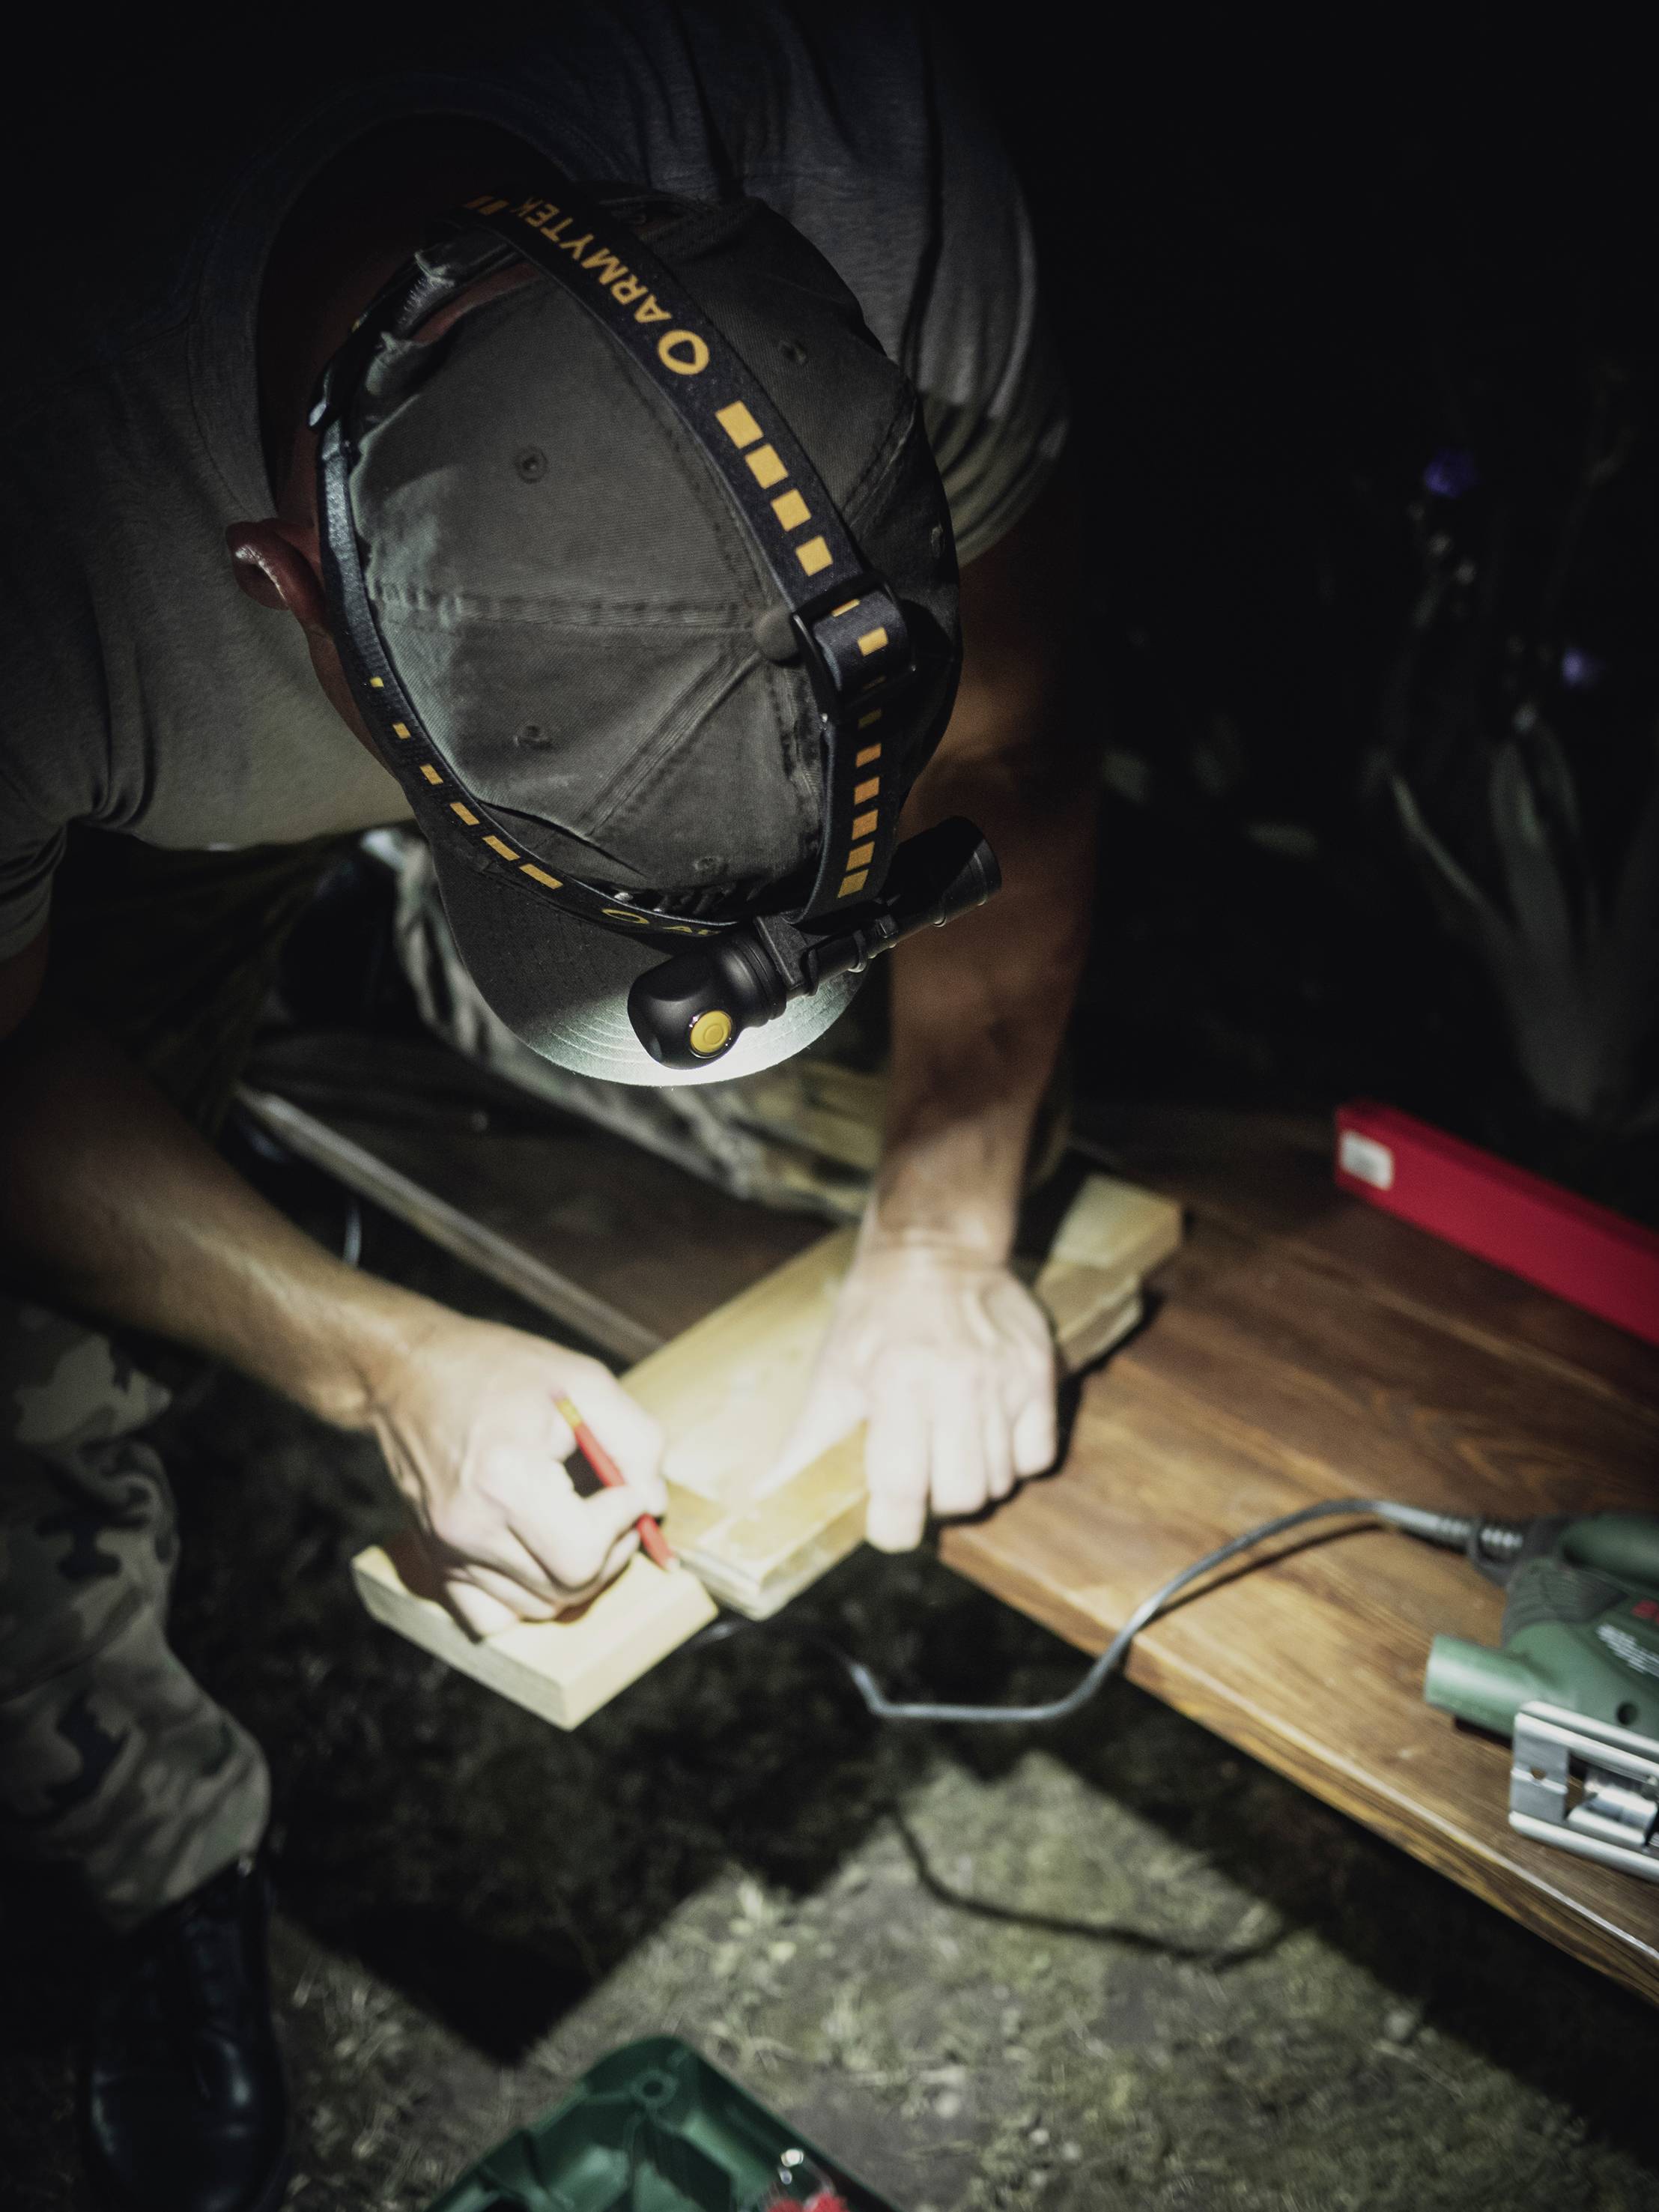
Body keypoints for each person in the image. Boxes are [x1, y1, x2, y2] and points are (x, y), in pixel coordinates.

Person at [0, 9, 1094, 2207]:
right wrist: (377, 1357)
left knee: (698, 1124)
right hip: (118, 812)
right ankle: (135, 1854)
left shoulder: (896, 196)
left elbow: (1020, 752)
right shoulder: (45, 527)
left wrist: (944, 1226)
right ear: (280, 587)